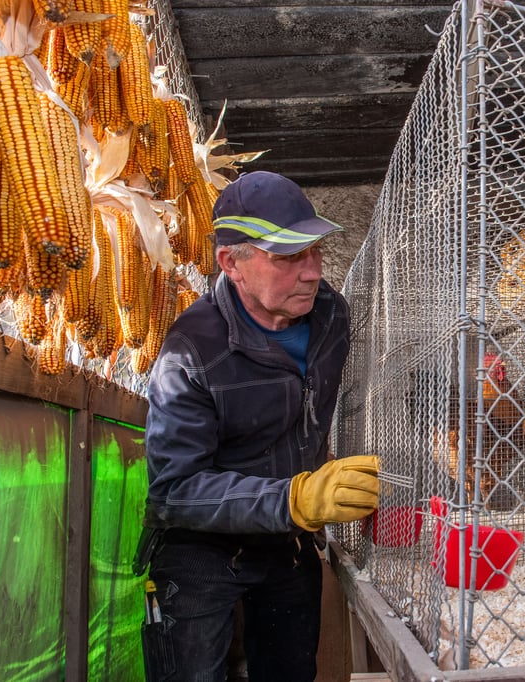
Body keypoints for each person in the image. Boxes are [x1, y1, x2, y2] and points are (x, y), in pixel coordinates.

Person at [134, 171, 380, 681]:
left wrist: (326, 475)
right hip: (201, 549)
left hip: (284, 545)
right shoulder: (191, 351)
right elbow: (173, 490)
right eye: (289, 257)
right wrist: (296, 497)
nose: (312, 272)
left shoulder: (332, 317)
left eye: (314, 250)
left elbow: (304, 417)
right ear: (232, 263)